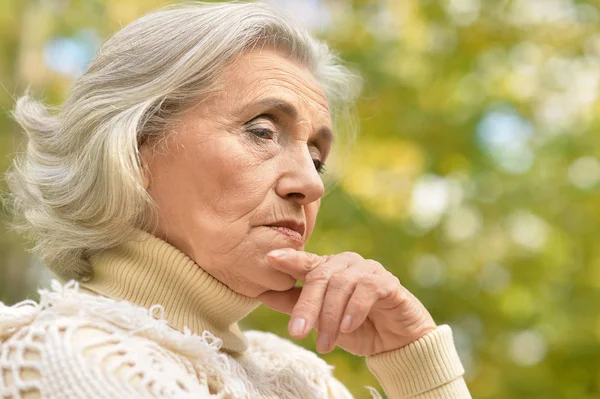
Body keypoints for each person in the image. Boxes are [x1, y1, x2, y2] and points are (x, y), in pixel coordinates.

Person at [0, 2, 471, 398]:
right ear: (133, 150)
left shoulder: (300, 378)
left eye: (317, 157)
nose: (311, 184)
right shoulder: (59, 355)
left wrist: (415, 361)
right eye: (262, 131)